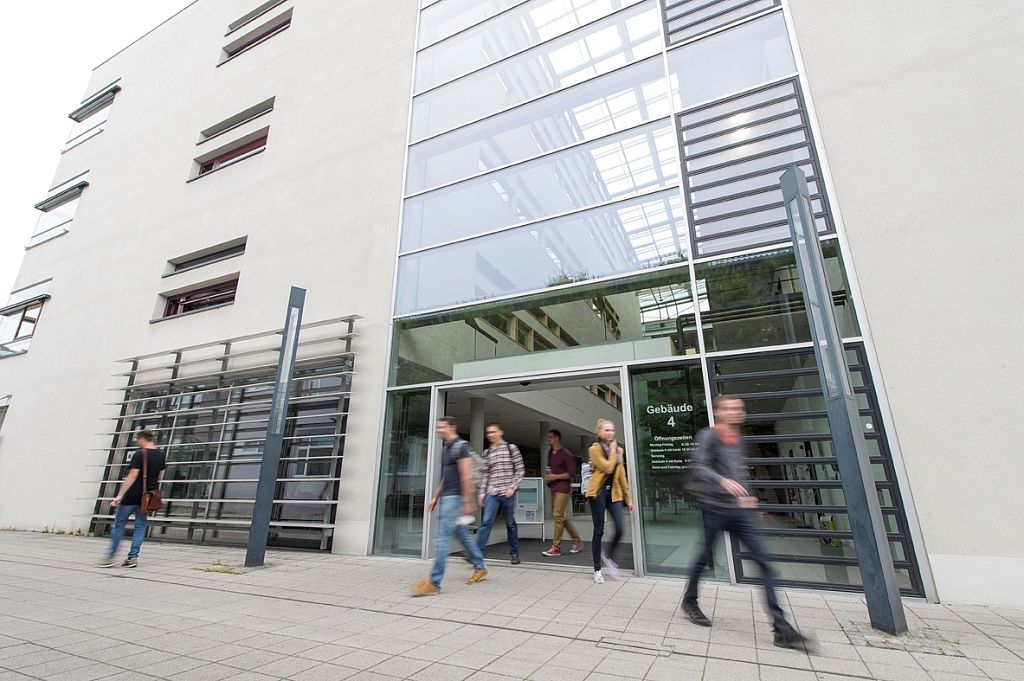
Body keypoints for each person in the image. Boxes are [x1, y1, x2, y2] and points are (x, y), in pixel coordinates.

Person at [681, 395, 807, 649]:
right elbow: (699, 466)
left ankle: (780, 627)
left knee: (764, 562)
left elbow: (739, 473)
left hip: (739, 510)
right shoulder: (709, 436)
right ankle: (690, 601)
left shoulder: (738, 440)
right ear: (718, 412)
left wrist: (750, 499)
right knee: (703, 558)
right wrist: (721, 481)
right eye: (728, 408)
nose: (735, 412)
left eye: (738, 408)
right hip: (714, 508)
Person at [412, 417, 487, 596]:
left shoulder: (461, 447)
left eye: (442, 426)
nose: (439, 429)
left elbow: (466, 476)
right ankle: (480, 566)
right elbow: (447, 477)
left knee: (441, 538)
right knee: (462, 535)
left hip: (455, 498)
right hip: (447, 497)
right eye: (438, 426)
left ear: (452, 427)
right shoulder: (446, 448)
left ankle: (434, 582)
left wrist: (468, 502)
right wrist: (435, 496)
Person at [98, 429, 166, 568]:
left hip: (131, 496)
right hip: (147, 498)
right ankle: (133, 557)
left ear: (142, 438)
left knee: (119, 525)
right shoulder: (161, 455)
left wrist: (119, 495)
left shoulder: (140, 454)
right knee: (140, 527)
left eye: (137, 439)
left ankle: (110, 557)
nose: (136, 442)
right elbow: (160, 476)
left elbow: (132, 476)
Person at [586, 418, 633, 583]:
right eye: (606, 430)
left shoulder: (619, 450)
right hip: (597, 493)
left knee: (620, 529)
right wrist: (613, 452)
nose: (610, 433)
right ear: (599, 432)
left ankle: (608, 556)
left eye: (612, 430)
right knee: (599, 531)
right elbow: (606, 467)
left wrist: (628, 499)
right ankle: (597, 569)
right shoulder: (594, 450)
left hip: (614, 494)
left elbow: (621, 476)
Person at [476, 422, 525, 565]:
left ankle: (514, 553)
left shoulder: (511, 449)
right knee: (486, 522)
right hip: (492, 492)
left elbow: (520, 469)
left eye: (493, 432)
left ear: (500, 432)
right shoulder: (487, 453)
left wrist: (513, 487)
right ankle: (477, 555)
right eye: (488, 433)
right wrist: (481, 493)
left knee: (510, 523)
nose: (490, 435)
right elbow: (486, 475)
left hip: (507, 492)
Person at [542, 429, 583, 557]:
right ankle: (576, 540)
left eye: (550, 437)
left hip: (563, 489)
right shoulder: (550, 453)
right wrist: (549, 476)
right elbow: (549, 468)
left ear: (557, 438)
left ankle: (556, 547)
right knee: (559, 517)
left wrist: (555, 476)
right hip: (554, 488)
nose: (548, 439)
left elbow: (571, 473)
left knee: (557, 516)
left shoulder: (566, 454)